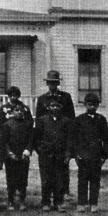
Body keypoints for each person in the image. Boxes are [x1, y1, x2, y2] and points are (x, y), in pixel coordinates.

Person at [35, 70, 76, 199]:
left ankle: (64, 193)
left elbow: (71, 117)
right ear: (47, 84)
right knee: (47, 170)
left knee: (62, 167)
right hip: (47, 136)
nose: (52, 85)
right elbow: (39, 120)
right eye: (50, 83)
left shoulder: (65, 97)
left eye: (55, 83)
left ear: (58, 83)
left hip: (62, 135)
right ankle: (48, 196)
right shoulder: (42, 99)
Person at [72, 93, 108, 213]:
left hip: (96, 156)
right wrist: (76, 154)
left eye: (94, 105)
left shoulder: (101, 120)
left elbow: (106, 139)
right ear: (85, 105)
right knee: (82, 180)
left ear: (98, 106)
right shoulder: (79, 120)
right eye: (89, 104)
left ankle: (93, 203)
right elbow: (74, 139)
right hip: (83, 156)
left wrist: (104, 155)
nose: (92, 107)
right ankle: (81, 203)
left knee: (95, 181)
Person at [34, 100, 71, 212]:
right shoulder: (42, 120)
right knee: (46, 179)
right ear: (48, 107)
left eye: (57, 106)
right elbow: (37, 137)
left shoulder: (66, 121)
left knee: (59, 179)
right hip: (46, 154)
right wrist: (40, 150)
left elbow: (69, 139)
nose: (55, 108)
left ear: (61, 107)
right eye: (52, 106)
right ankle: (46, 202)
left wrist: (67, 154)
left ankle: (58, 202)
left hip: (60, 154)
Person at [3, 103, 34, 211]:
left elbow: (30, 139)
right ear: (12, 112)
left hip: (23, 155)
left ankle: (22, 201)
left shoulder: (28, 124)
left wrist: (27, 151)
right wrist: (9, 153)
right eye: (16, 110)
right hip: (11, 156)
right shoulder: (7, 124)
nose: (19, 112)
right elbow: (5, 141)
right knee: (11, 179)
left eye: (21, 110)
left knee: (22, 179)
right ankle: (10, 201)